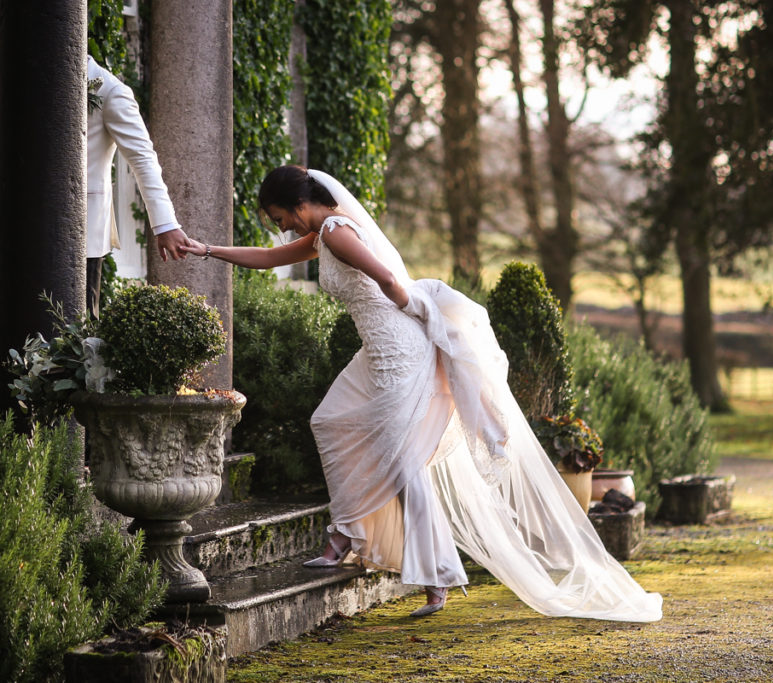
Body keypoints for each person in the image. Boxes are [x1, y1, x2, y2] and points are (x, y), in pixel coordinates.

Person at [182, 165, 662, 621]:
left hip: (398, 350)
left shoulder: (335, 233)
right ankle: (348, 535)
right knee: (330, 421)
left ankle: (427, 575)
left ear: (297, 203)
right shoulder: (325, 235)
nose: (281, 228)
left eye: (279, 216)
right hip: (377, 350)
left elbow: (390, 280)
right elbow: (267, 259)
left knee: (402, 460)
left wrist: (422, 314)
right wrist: (205, 250)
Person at [86, 55, 190, 317]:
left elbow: (143, 159)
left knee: (73, 327)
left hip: (83, 232)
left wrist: (165, 224)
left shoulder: (110, 90)